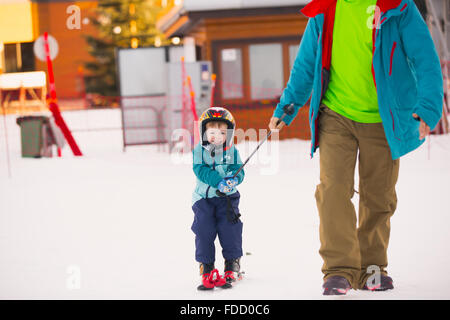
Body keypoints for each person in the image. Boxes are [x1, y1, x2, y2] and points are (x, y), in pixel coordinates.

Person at [268, 0, 443, 295]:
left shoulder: (397, 7)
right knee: (333, 190)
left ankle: (372, 267)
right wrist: (288, 106)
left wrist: (427, 106)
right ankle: (339, 270)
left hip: (384, 118)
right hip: (336, 115)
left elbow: (425, 58)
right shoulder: (326, 9)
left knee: (378, 195)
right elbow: (307, 61)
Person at [191, 107, 245, 290]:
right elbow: (200, 170)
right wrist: (218, 181)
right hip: (203, 199)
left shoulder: (232, 151)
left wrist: (233, 178)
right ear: (204, 132)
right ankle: (206, 267)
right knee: (204, 230)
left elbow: (239, 169)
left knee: (230, 229)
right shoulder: (199, 150)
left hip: (227, 199)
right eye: (212, 131)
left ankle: (232, 264)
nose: (217, 135)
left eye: (222, 132)